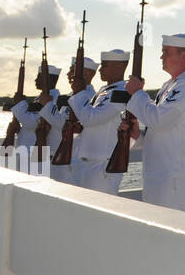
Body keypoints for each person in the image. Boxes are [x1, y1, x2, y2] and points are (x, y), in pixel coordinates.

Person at [125, 33, 185, 212]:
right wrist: (138, 136)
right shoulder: (171, 85)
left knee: (175, 234)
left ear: (184, 55)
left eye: (166, 52)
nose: (161, 57)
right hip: (160, 175)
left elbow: (158, 120)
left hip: (174, 178)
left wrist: (138, 93)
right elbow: (161, 131)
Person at [68, 49, 131, 196]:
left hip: (103, 165)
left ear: (120, 66)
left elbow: (91, 118)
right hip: (88, 163)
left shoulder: (122, 91)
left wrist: (78, 93)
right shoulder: (105, 90)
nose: (101, 69)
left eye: (105, 65)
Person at [39, 55, 98, 185]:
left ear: (86, 73)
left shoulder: (87, 96)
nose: (68, 74)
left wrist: (47, 105)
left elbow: (63, 124)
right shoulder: (74, 96)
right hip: (61, 157)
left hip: (71, 161)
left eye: (73, 70)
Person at [9, 62, 62, 175]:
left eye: (39, 77)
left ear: (48, 80)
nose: (35, 80)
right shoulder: (40, 98)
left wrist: (19, 104)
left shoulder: (53, 99)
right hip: (28, 152)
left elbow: (32, 123)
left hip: (37, 154)